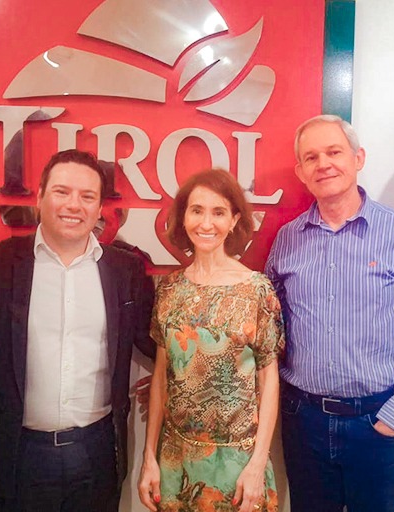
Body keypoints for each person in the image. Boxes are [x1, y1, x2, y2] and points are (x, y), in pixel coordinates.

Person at [264, 115, 394, 512]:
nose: (323, 164)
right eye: (310, 157)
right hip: (304, 422)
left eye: (334, 152)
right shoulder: (287, 239)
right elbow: (267, 329)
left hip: (377, 423)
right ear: (300, 171)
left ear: (358, 157)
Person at [0, 149, 156, 512]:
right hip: (19, 453)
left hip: (97, 453)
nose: (73, 205)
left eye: (87, 196)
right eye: (62, 192)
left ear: (99, 208)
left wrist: (173, 382)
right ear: (39, 197)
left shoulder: (125, 271)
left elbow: (157, 343)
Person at [138, 169, 284, 512]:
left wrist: (258, 463)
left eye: (218, 212)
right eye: (197, 210)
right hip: (176, 460)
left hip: (238, 464)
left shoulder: (256, 289)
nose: (206, 223)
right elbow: (161, 377)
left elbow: (269, 379)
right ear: (183, 217)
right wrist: (149, 458)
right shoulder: (170, 289)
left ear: (234, 220)